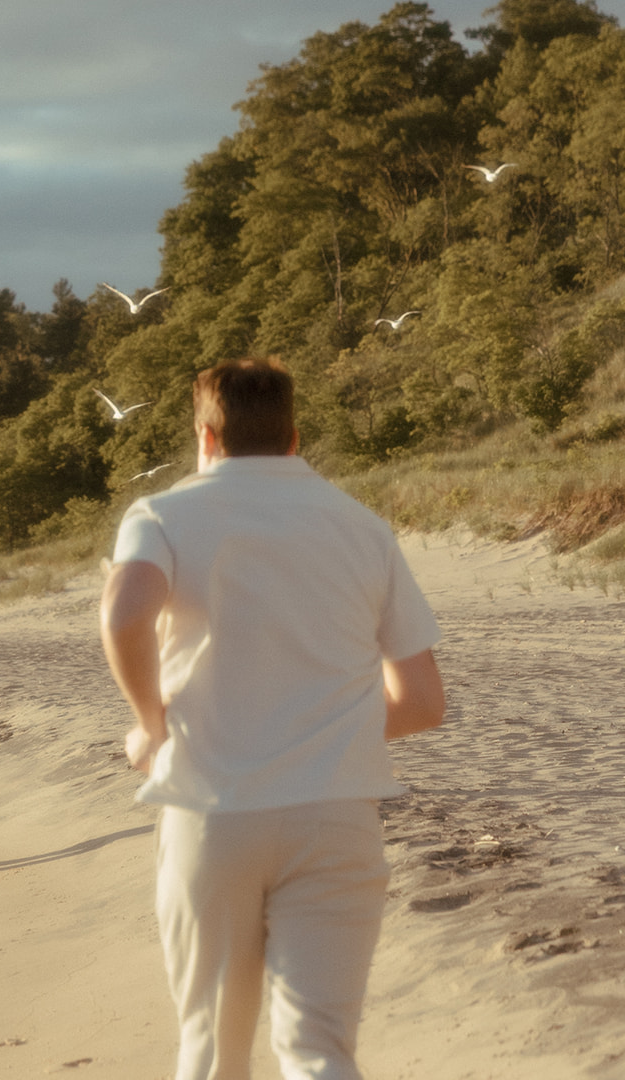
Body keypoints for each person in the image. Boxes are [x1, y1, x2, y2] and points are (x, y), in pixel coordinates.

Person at [100, 358, 446, 1080]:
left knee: (214, 1053)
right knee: (319, 1050)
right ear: (294, 438)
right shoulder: (362, 527)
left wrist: (151, 725)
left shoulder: (164, 514)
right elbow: (421, 702)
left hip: (212, 809)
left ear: (205, 436)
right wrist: (323, 724)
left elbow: (126, 612)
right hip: (334, 814)